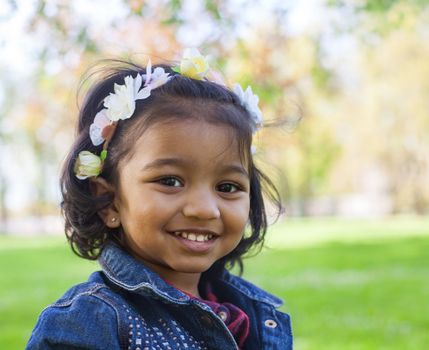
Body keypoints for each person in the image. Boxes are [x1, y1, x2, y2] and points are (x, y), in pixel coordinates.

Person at [26, 48, 292, 350]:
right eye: (170, 181)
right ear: (109, 201)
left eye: (228, 187)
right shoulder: (93, 323)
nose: (204, 209)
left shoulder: (253, 313)